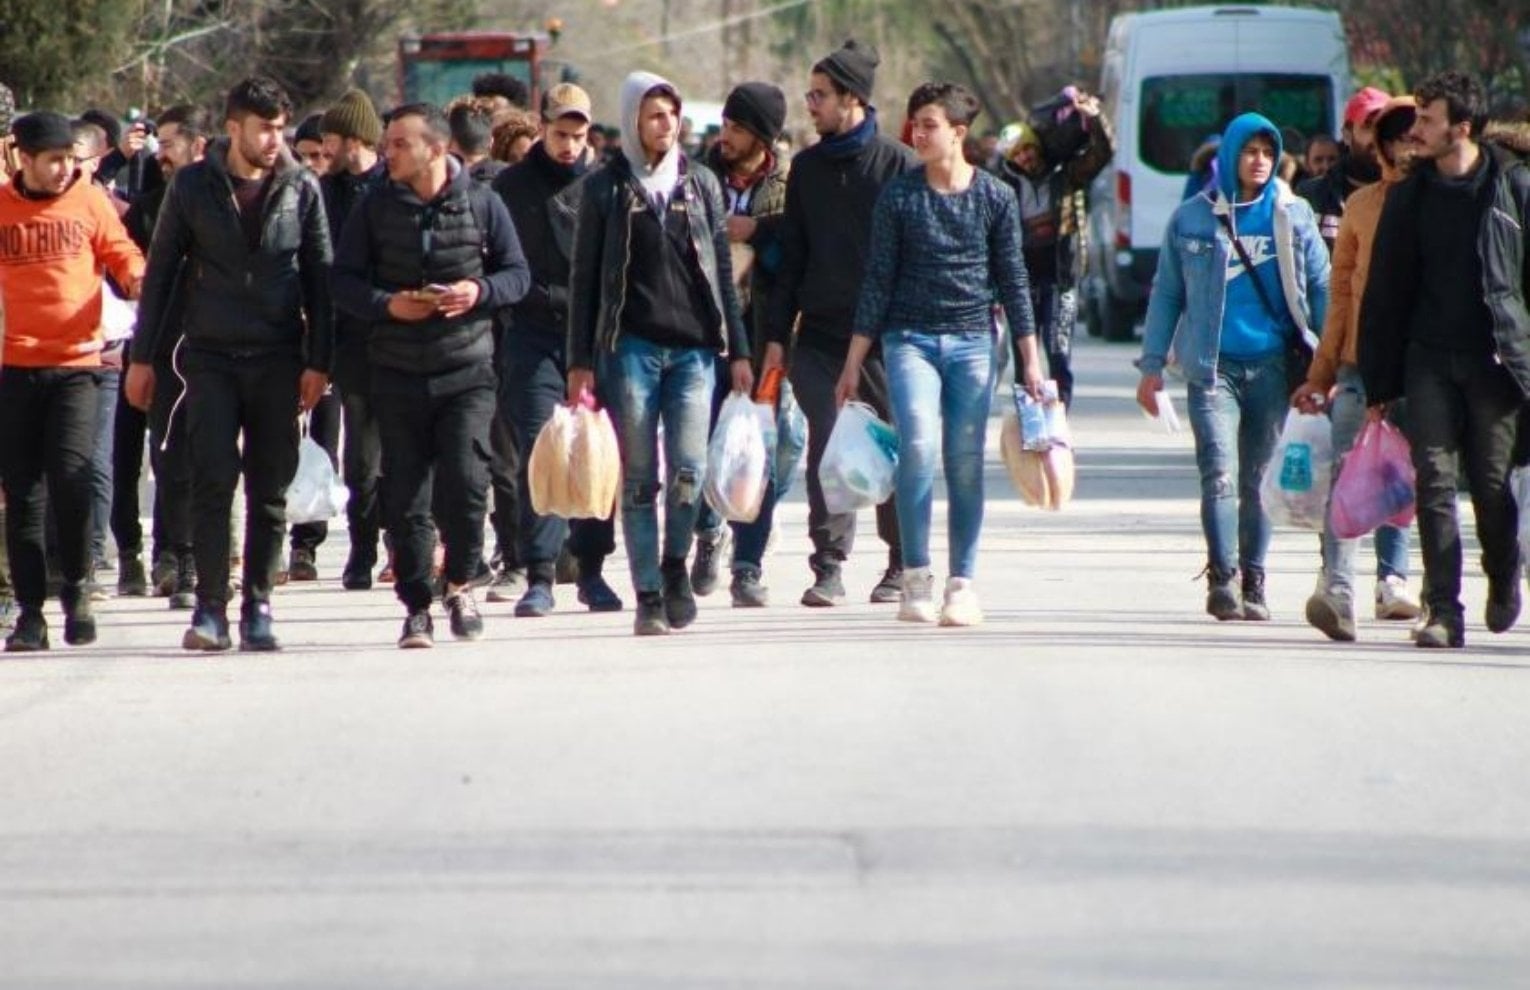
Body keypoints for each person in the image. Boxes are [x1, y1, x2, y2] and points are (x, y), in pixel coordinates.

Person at [124, 77, 333, 653]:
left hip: (278, 355)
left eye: (280, 128)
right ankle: (211, 608)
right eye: (264, 128)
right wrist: (143, 358)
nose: (274, 140)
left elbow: (321, 278)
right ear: (233, 127)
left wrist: (320, 362)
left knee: (269, 488)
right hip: (209, 356)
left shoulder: (301, 187)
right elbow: (161, 274)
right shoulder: (193, 185)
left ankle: (258, 606)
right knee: (212, 479)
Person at [836, 82, 1040, 626]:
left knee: (965, 460)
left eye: (929, 125)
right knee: (919, 448)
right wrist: (854, 361)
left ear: (958, 132)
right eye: (914, 125)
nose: (917, 135)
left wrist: (1031, 359)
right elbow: (877, 281)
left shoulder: (995, 197)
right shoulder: (899, 197)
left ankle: (962, 584)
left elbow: (1014, 280)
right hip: (910, 340)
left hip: (973, 342)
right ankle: (916, 577)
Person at [332, 102, 530, 649]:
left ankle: (460, 584)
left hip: (467, 370)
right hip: (396, 372)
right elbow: (342, 281)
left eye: (400, 144)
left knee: (467, 486)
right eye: (387, 143)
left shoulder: (484, 203)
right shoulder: (374, 207)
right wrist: (388, 305)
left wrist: (478, 291)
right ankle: (417, 605)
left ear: (437, 149)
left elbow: (517, 275)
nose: (388, 153)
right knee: (405, 498)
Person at [567, 71, 753, 636]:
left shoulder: (701, 184)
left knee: (690, 469)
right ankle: (648, 593)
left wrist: (739, 350)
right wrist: (579, 362)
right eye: (654, 114)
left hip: (694, 354)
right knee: (641, 477)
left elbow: (722, 271)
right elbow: (584, 282)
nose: (666, 123)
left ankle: (676, 565)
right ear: (633, 121)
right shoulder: (605, 188)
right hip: (631, 351)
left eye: (672, 113)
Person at [1359, 71, 1530, 650]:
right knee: (1433, 481)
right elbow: (1385, 291)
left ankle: (1503, 570)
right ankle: (1444, 611)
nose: (1416, 129)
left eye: (1428, 120)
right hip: (1428, 359)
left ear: (1462, 127)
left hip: (1495, 362)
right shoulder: (1410, 196)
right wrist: (1380, 382)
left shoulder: (1513, 187)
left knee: (1490, 486)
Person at [1135, 112, 1330, 621]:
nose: (1259, 161)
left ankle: (1254, 580)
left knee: (1259, 480)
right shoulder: (1192, 218)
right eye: (1249, 151)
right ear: (1229, 156)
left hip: (1272, 367)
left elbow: (1322, 286)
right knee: (1219, 473)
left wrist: (1330, 361)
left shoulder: (1293, 215)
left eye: (1267, 152)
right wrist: (1151, 367)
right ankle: (1222, 578)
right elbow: (1167, 294)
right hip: (1212, 369)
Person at [762, 39, 915, 608]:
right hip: (821, 337)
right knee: (828, 446)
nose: (810, 105)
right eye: (810, 94)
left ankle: (899, 561)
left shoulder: (899, 165)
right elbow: (792, 259)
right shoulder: (805, 169)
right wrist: (776, 337)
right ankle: (828, 565)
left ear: (852, 98)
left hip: (885, 339)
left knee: (888, 445)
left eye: (819, 95)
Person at [0, 111, 146, 651]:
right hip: (15, 366)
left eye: (69, 158)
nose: (65, 168)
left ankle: (78, 588)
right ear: (24, 158)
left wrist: (136, 276)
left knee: (72, 476)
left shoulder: (88, 199)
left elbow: (120, 250)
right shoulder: (2, 206)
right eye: (53, 160)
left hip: (78, 365)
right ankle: (30, 613)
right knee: (24, 493)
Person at [1292, 97, 1423, 642]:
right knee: (1349, 473)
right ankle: (1338, 591)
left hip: (1427, 365)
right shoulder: (1362, 207)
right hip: (1358, 365)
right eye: (1395, 138)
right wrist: (1321, 373)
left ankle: (1404, 582)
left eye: (1415, 135)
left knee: (1416, 477)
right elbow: (1341, 296)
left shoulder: (1448, 201)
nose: (1406, 147)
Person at [490, 83, 621, 617]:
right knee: (542, 448)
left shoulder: (607, 184)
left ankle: (591, 569)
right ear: (542, 127)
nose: (569, 145)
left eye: (578, 135)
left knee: (593, 450)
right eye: (560, 134)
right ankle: (540, 572)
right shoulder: (510, 187)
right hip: (532, 335)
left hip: (595, 337)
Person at [692, 81, 789, 607]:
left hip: (767, 330)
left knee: (759, 449)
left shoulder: (789, 183)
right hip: (705, 333)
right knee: (702, 442)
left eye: (737, 127)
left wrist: (756, 229)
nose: (725, 135)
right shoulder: (697, 176)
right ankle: (708, 532)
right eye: (725, 124)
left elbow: (798, 247)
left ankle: (748, 565)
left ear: (761, 135)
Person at [994, 96, 1113, 409]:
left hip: (1062, 278)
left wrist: (1095, 119)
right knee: (1024, 360)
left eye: (1027, 149)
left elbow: (1101, 153)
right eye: (1017, 154)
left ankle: (1059, 419)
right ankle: (1029, 422)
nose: (1025, 157)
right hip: (1022, 283)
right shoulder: (1004, 185)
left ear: (1037, 145)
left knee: (1059, 353)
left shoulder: (1066, 174)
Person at [318, 88, 389, 590]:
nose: (324, 151)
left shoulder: (392, 187)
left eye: (331, 140)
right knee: (360, 460)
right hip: (349, 342)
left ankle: (404, 546)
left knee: (403, 454)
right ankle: (362, 549)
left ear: (355, 140)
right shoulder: (323, 192)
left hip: (396, 335)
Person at [1297, 87, 1389, 251]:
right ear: (1347, 134)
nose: (1377, 136)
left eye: (1384, 125)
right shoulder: (1312, 195)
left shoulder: (1410, 194)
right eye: (1368, 126)